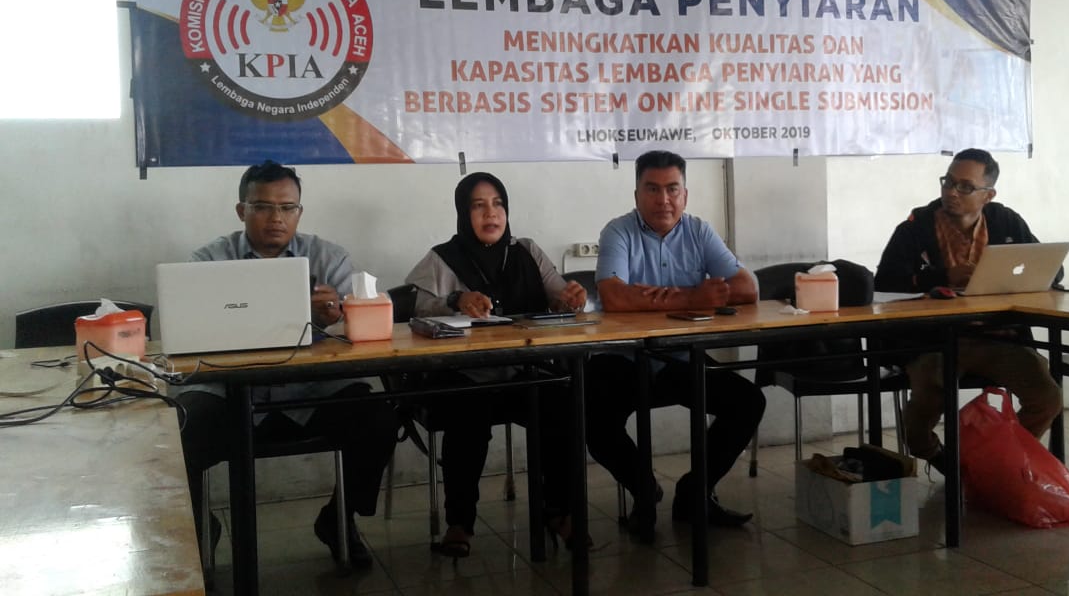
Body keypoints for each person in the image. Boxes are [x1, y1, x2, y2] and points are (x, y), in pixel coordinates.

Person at [175, 160, 398, 570]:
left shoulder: (328, 257)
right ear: (241, 211)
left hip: (309, 391)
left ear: (299, 211)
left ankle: (338, 518)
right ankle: (199, 527)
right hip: (229, 395)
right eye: (262, 206)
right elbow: (185, 329)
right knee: (179, 427)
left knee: (379, 417)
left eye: (287, 207)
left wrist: (340, 316)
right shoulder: (208, 261)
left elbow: (363, 327)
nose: (276, 217)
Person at [405, 172, 588, 557]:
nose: (491, 213)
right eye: (479, 206)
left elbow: (558, 294)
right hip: (466, 375)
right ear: (463, 213)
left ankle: (558, 511)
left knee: (561, 405)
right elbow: (415, 310)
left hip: (524, 371)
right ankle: (459, 522)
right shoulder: (442, 258)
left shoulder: (526, 250)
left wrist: (569, 299)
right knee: (467, 415)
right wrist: (455, 301)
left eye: (498, 204)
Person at [588, 150, 764, 542]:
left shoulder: (699, 231)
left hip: (680, 358)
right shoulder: (618, 231)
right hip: (624, 357)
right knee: (591, 416)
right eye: (652, 189)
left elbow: (747, 289)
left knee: (747, 402)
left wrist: (654, 297)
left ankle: (693, 492)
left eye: (672, 189)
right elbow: (614, 297)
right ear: (637, 194)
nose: (663, 200)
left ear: (685, 194)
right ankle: (643, 488)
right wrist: (694, 297)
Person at [873, 148, 1063, 474]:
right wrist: (943, 277)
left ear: (988, 195)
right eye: (948, 182)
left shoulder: (1005, 221)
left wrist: (1024, 276)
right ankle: (937, 456)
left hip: (998, 338)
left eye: (965, 187)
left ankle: (996, 461)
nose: (951, 192)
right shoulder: (916, 227)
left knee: (1047, 397)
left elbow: (1050, 269)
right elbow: (885, 282)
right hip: (933, 341)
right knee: (928, 398)